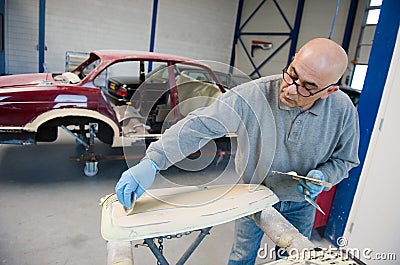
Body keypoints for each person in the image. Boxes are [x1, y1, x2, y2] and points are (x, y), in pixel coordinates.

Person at [115, 38, 360, 264]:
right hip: (252, 195)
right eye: (292, 74)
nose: (291, 89)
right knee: (242, 255)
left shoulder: (342, 111)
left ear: (329, 91)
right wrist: (153, 161)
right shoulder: (252, 96)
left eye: (308, 87)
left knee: (292, 259)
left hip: (301, 203)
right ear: (293, 59)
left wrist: (325, 176)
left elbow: (345, 159)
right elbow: (200, 125)